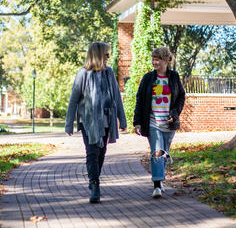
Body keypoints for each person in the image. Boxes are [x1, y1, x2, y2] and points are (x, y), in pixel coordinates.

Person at [65, 42, 127, 204]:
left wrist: (123, 120)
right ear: (98, 55)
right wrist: (69, 123)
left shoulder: (109, 73)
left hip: (107, 119)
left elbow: (116, 97)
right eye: (106, 54)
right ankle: (94, 184)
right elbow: (73, 100)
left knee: (101, 151)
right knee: (92, 152)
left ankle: (94, 179)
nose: (108, 57)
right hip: (89, 120)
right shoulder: (83, 73)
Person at [133, 47, 185, 198]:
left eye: (158, 59)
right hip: (153, 122)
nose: (154, 62)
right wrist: (137, 122)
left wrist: (174, 114)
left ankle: (159, 179)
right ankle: (157, 184)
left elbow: (181, 97)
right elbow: (140, 100)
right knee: (157, 151)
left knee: (164, 153)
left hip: (169, 124)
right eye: (153, 59)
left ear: (166, 60)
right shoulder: (148, 78)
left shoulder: (174, 77)